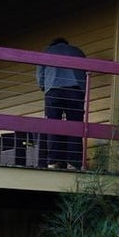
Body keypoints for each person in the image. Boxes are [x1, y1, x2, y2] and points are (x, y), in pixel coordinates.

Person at [36, 37, 88, 169]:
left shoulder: (47, 51)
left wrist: (43, 86)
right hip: (75, 90)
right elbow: (86, 71)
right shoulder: (77, 51)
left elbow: (40, 76)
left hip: (54, 90)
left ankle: (53, 162)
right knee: (75, 126)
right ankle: (74, 162)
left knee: (53, 125)